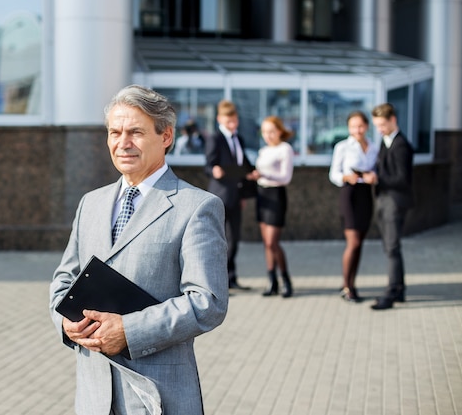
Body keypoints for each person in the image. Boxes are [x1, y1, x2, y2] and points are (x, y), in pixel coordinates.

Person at [49, 84, 229, 414]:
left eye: (135, 132)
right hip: (93, 396)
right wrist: (64, 322)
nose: (122, 143)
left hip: (158, 395)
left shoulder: (197, 206)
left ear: (166, 137)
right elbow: (64, 280)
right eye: (114, 132)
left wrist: (129, 331)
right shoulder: (91, 203)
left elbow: (209, 302)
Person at [205, 99, 257, 290]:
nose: (232, 123)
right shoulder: (215, 138)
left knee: (234, 239)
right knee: (220, 240)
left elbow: (242, 165)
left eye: (234, 119)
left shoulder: (239, 139)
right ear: (220, 119)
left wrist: (252, 172)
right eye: (228, 120)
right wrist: (214, 170)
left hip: (236, 195)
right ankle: (219, 282)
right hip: (220, 195)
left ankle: (231, 278)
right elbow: (208, 165)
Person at [367, 102, 414, 310]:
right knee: (390, 248)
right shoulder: (386, 141)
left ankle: (391, 292)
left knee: (392, 248)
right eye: (376, 125)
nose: (379, 129)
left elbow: (402, 179)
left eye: (382, 125)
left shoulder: (401, 145)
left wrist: (377, 179)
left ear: (393, 120)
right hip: (385, 200)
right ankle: (399, 290)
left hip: (394, 201)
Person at [329, 111, 379, 302]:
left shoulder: (373, 147)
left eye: (360, 126)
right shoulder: (342, 147)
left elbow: (376, 169)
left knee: (360, 244)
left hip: (366, 194)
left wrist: (372, 176)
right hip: (349, 193)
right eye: (353, 127)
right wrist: (345, 177)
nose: (357, 130)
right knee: (354, 242)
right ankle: (347, 287)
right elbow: (333, 174)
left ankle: (351, 283)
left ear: (366, 126)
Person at [255, 116, 295, 298]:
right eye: (264, 132)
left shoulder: (285, 149)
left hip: (276, 195)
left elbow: (286, 177)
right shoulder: (263, 150)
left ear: (280, 131)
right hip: (262, 195)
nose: (268, 135)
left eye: (271, 131)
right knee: (266, 243)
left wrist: (264, 174)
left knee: (273, 242)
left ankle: (286, 279)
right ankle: (272, 281)